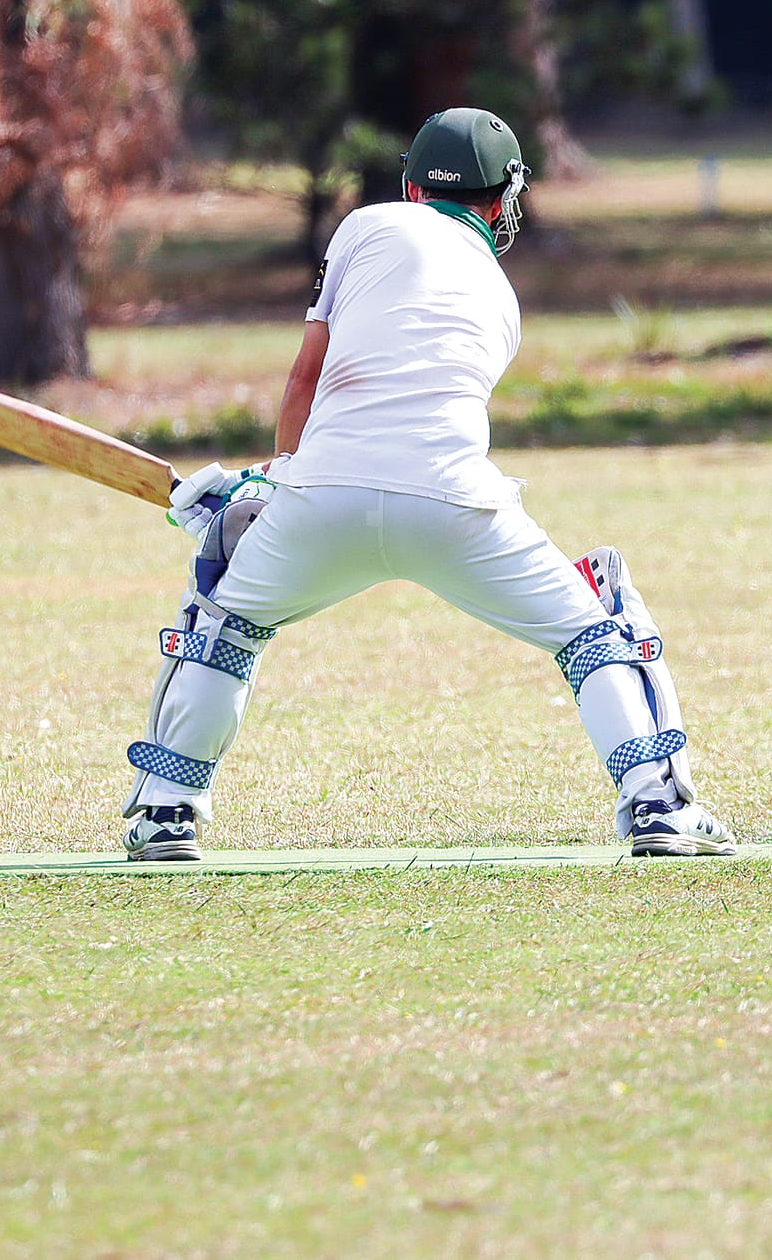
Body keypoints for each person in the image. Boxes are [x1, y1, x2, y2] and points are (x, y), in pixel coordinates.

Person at [119, 107, 734, 862]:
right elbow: (412, 419)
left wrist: (274, 488)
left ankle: (166, 812)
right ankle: (656, 802)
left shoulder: (362, 227)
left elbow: (308, 381)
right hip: (454, 501)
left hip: (325, 500)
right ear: (502, 199)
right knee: (591, 625)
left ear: (410, 184)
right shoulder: (502, 296)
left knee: (222, 615)